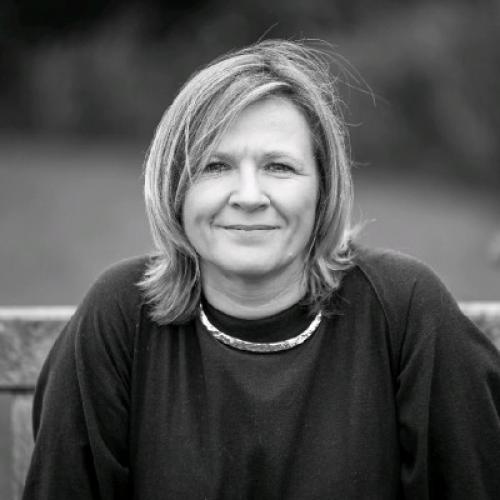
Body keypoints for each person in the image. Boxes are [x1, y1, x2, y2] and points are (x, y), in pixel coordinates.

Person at [23, 40, 500, 499]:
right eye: (214, 166)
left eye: (279, 166)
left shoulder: (405, 309)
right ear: (175, 187)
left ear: (323, 189)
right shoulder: (118, 318)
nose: (249, 196)